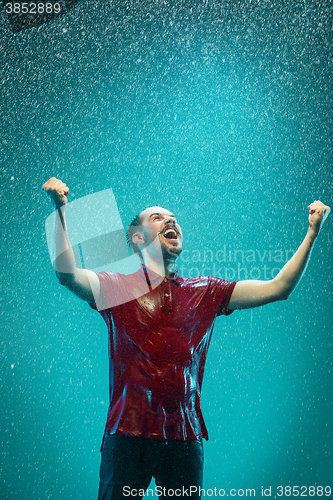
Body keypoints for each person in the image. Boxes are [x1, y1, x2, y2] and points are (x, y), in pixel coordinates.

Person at [42, 177, 330, 500]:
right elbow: (67, 274)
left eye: (174, 219)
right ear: (137, 238)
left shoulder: (205, 291)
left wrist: (312, 233)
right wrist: (61, 211)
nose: (171, 221)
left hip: (184, 437)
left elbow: (279, 288)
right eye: (158, 218)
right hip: (126, 435)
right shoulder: (116, 287)